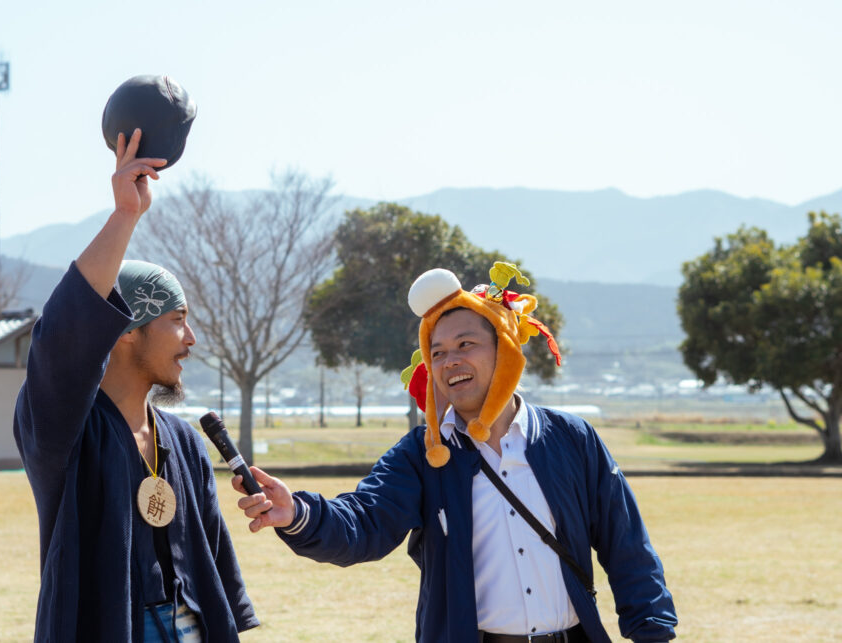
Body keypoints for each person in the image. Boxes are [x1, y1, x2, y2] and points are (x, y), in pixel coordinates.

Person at [234, 263, 676, 642]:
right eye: (438, 352)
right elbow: (364, 522)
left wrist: (652, 633)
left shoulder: (571, 438)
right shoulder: (422, 456)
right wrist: (298, 513)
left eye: (466, 345)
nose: (450, 362)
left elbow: (628, 547)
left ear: (504, 347)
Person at [14, 128, 259, 642]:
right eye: (178, 320)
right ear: (125, 329)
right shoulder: (63, 433)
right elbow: (60, 339)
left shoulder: (185, 441)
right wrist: (126, 214)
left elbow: (214, 563)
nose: (191, 338)